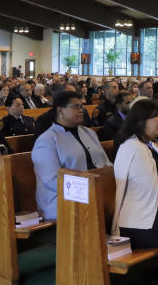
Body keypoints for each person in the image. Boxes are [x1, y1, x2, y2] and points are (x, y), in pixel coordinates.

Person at [111, 99, 158, 249]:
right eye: (156, 115)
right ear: (140, 120)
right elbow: (151, 191)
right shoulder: (134, 147)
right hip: (139, 222)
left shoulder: (152, 144)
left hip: (155, 212)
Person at [32, 91, 111, 220]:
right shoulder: (47, 140)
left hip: (97, 193)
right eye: (76, 106)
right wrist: (91, 189)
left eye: (82, 106)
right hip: (64, 201)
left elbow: (106, 164)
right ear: (60, 110)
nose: (81, 110)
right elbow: (52, 180)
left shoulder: (89, 133)